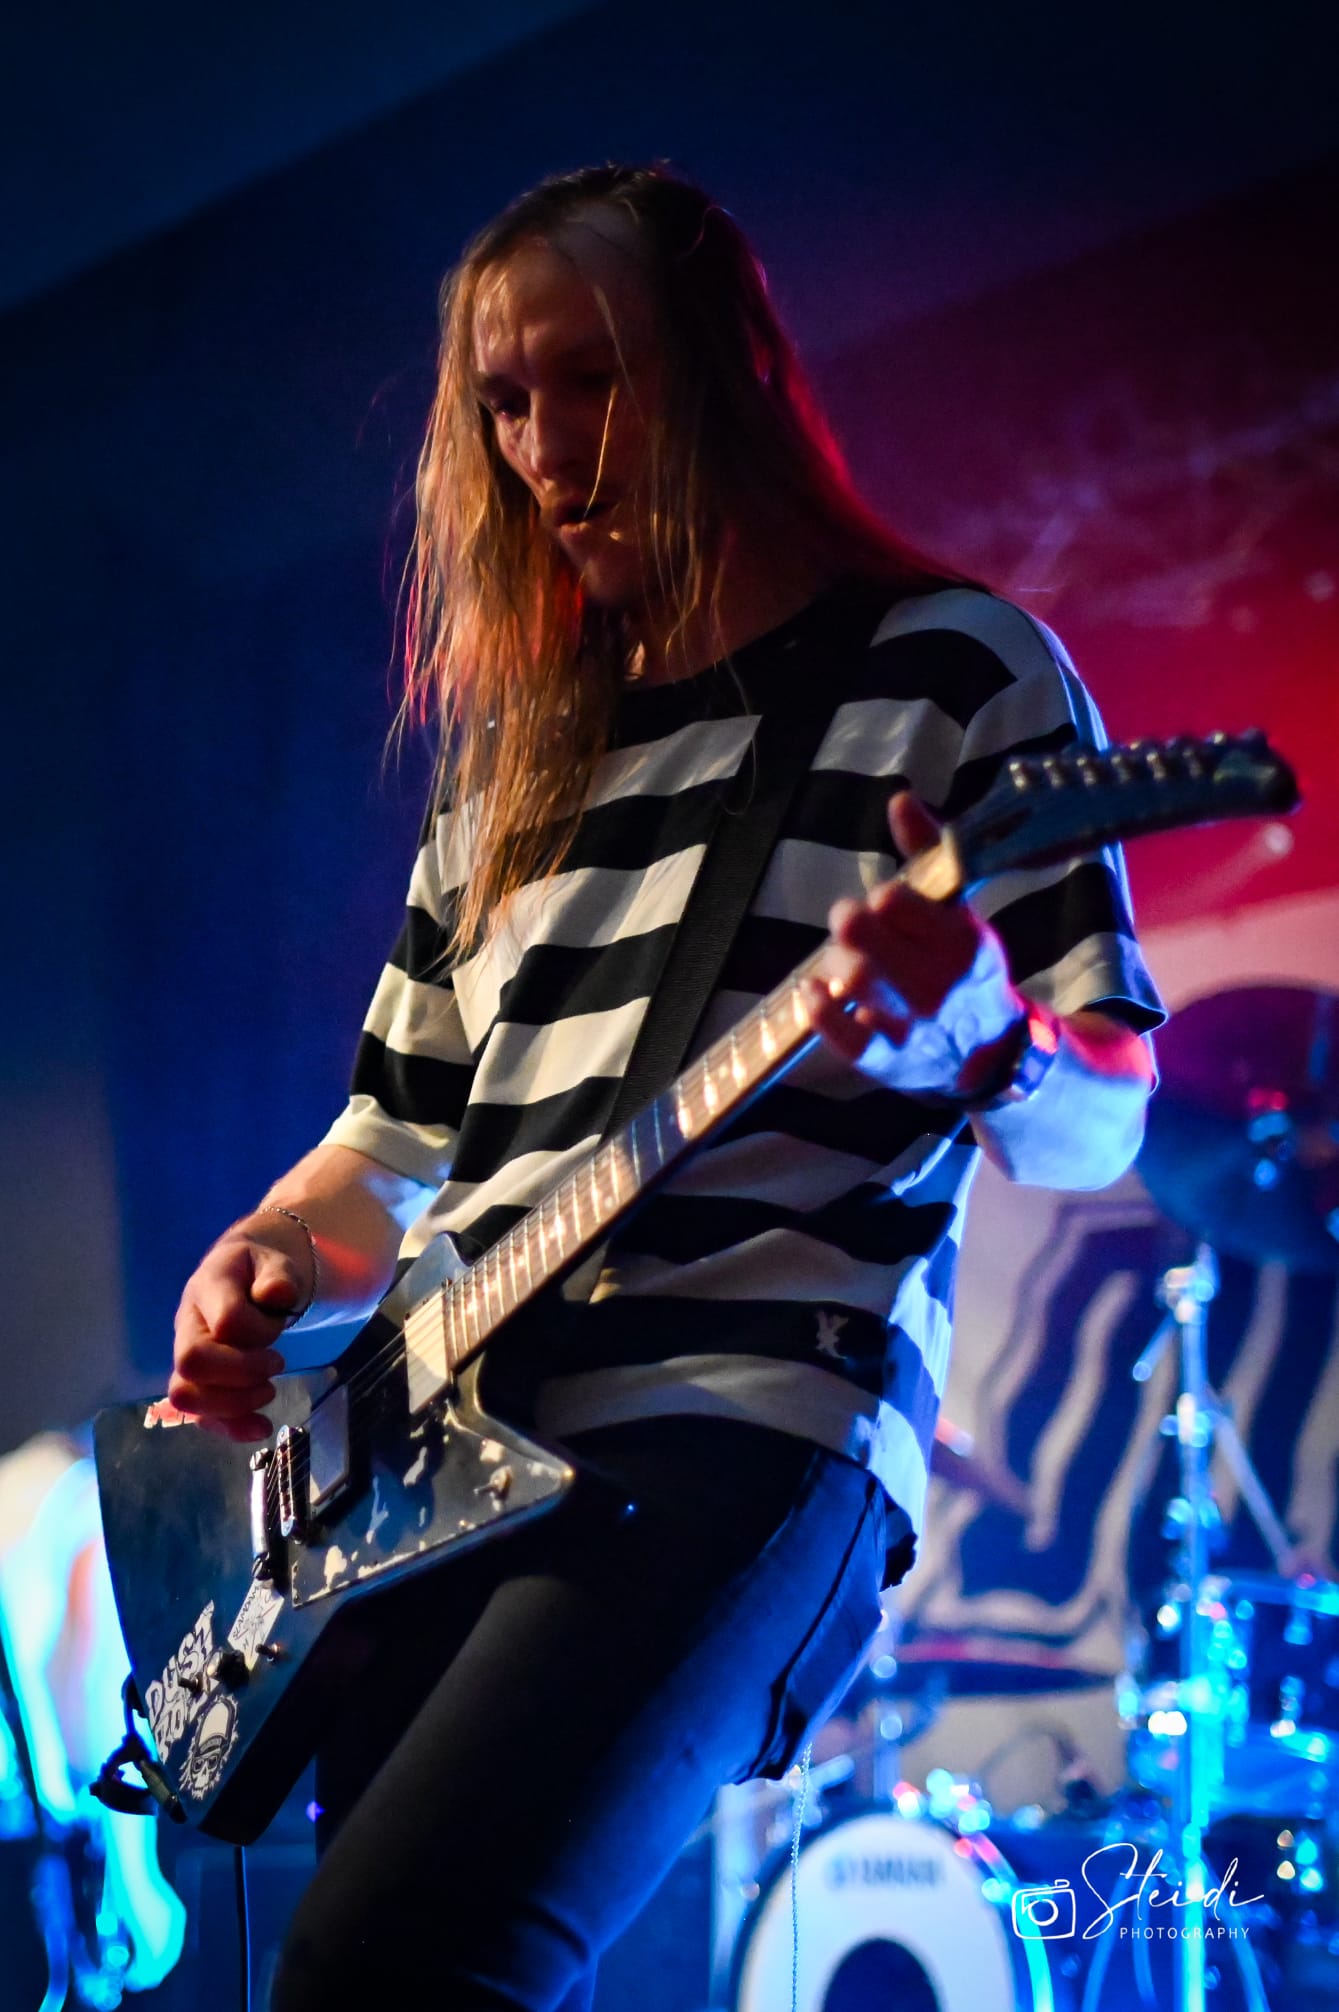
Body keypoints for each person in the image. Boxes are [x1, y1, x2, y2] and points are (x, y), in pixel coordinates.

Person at [167, 164, 1161, 2010]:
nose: (548, 450)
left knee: (388, 1971)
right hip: (441, 1465)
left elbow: (1106, 1114)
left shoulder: (955, 674)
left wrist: (978, 1040)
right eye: (504, 403)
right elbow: (388, 1142)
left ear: (724, 368)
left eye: (593, 378)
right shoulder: (511, 766)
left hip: (741, 1423)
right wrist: (272, 1254)